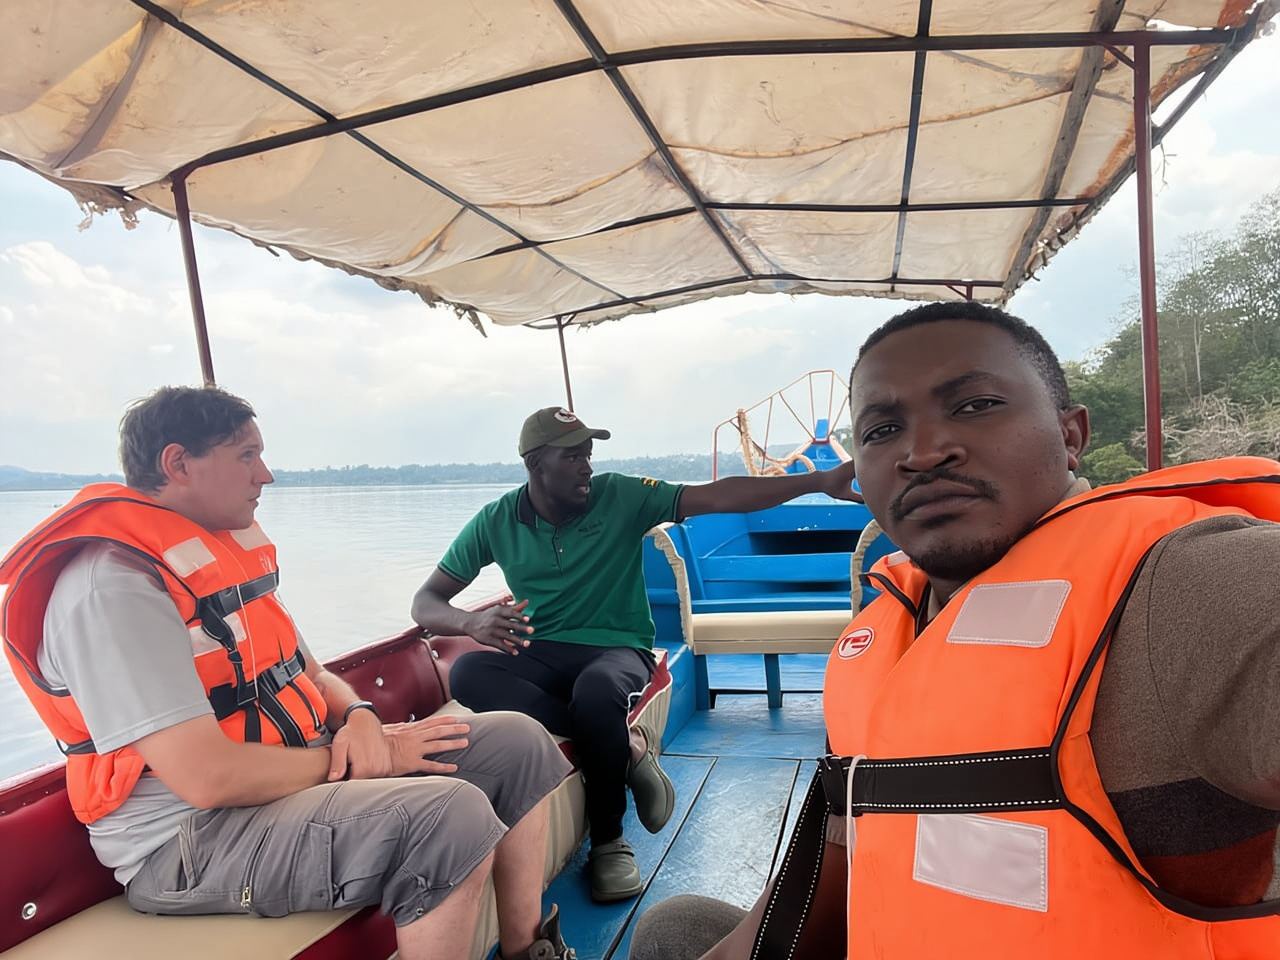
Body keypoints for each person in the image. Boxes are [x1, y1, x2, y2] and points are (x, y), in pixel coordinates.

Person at [630, 302, 1280, 959]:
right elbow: (845, 851)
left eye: (975, 405)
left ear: (1072, 435)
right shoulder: (887, 624)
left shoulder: (1182, 582)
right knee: (675, 929)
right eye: (883, 429)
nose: (922, 451)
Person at [0, 386, 577, 960]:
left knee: (517, 742)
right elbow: (208, 779)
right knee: (448, 816)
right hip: (190, 840)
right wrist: (359, 761)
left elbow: (309, 673)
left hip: (286, 777)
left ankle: (525, 950)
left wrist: (359, 717)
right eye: (246, 456)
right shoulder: (113, 589)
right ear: (177, 463)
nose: (266, 476)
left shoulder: (217, 556)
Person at [411, 406, 859, 902]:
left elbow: (720, 495)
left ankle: (609, 842)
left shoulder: (619, 495)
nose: (587, 466)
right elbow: (426, 603)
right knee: (469, 671)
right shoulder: (497, 520)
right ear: (536, 465)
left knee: (597, 691)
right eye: (573, 456)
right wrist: (471, 623)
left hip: (616, 646)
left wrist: (817, 481)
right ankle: (628, 749)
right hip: (541, 650)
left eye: (588, 454)